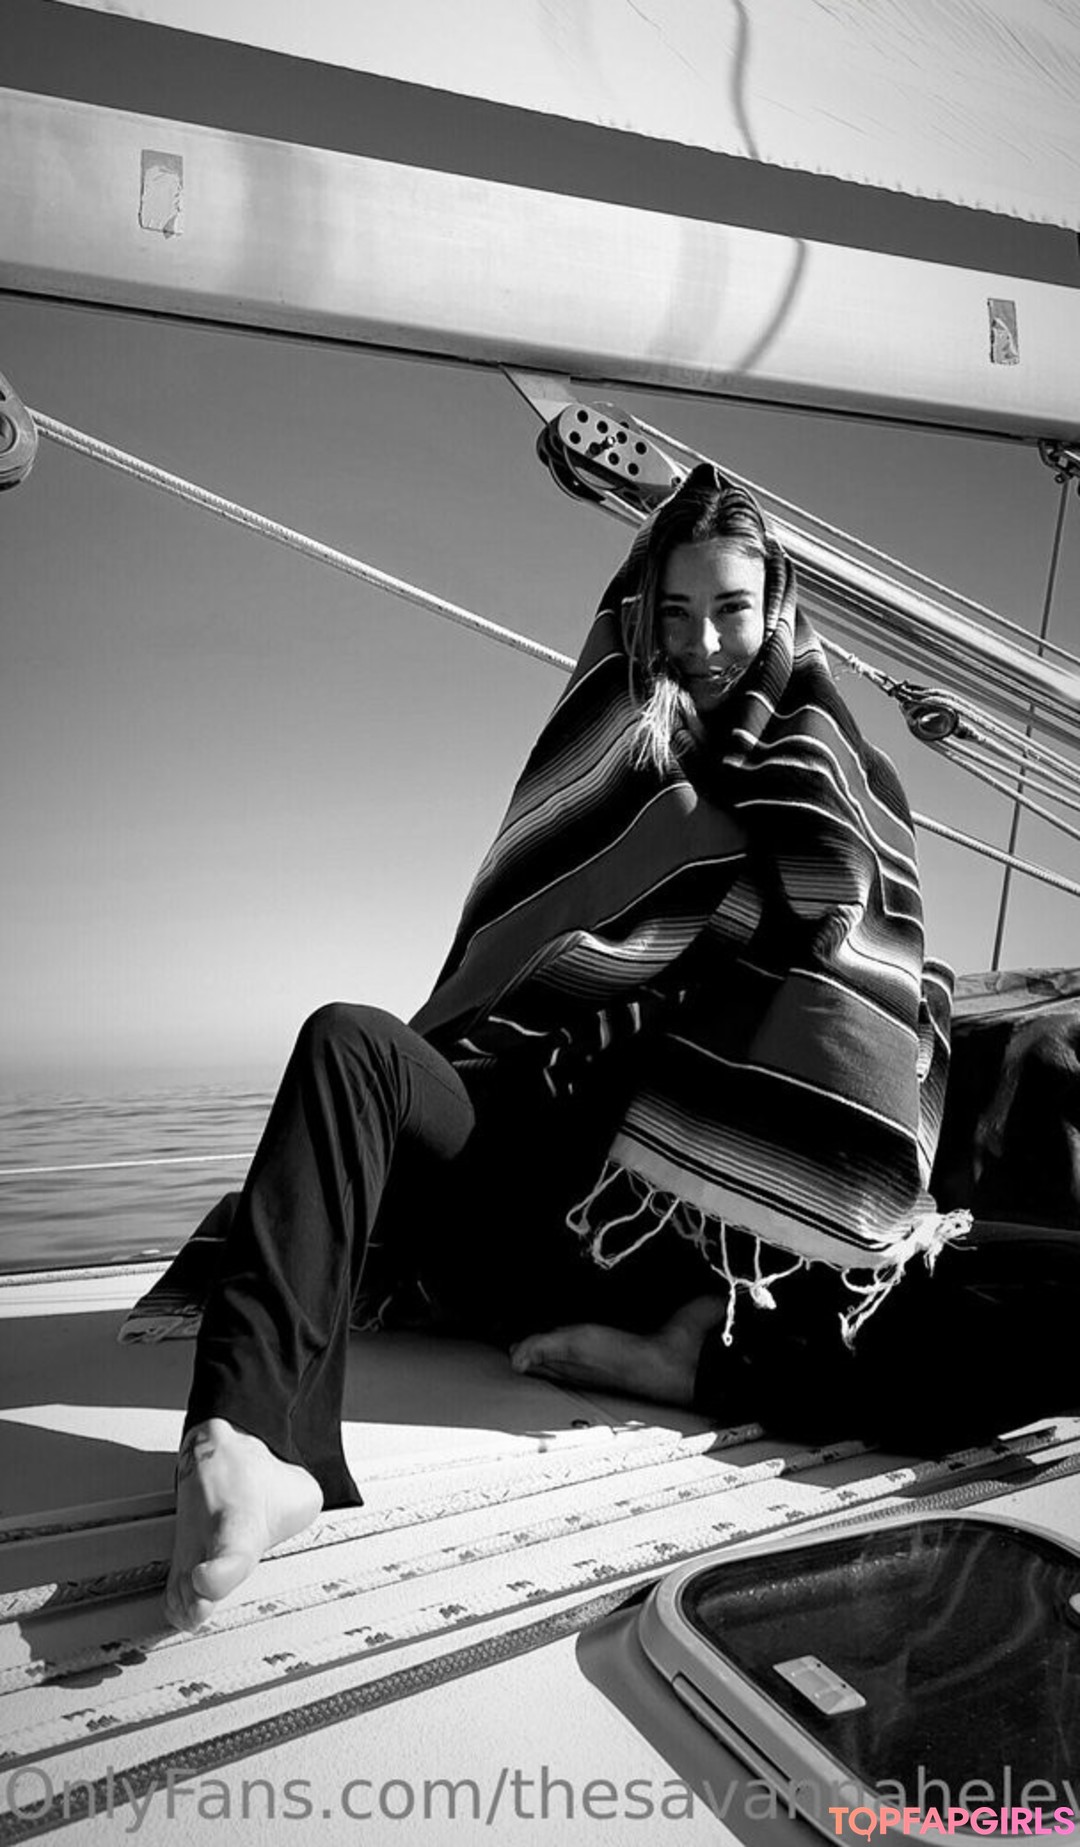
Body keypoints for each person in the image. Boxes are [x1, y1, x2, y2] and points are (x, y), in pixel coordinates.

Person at [164, 465, 1077, 1632]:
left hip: (706, 1221)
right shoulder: (606, 760)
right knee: (351, 1042)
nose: (704, 642)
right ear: (642, 613)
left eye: (732, 609)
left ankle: (699, 1362)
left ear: (775, 611)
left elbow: (870, 991)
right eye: (677, 611)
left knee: (1031, 1318)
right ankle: (253, 1437)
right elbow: (507, 970)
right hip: (539, 1173)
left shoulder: (842, 788)